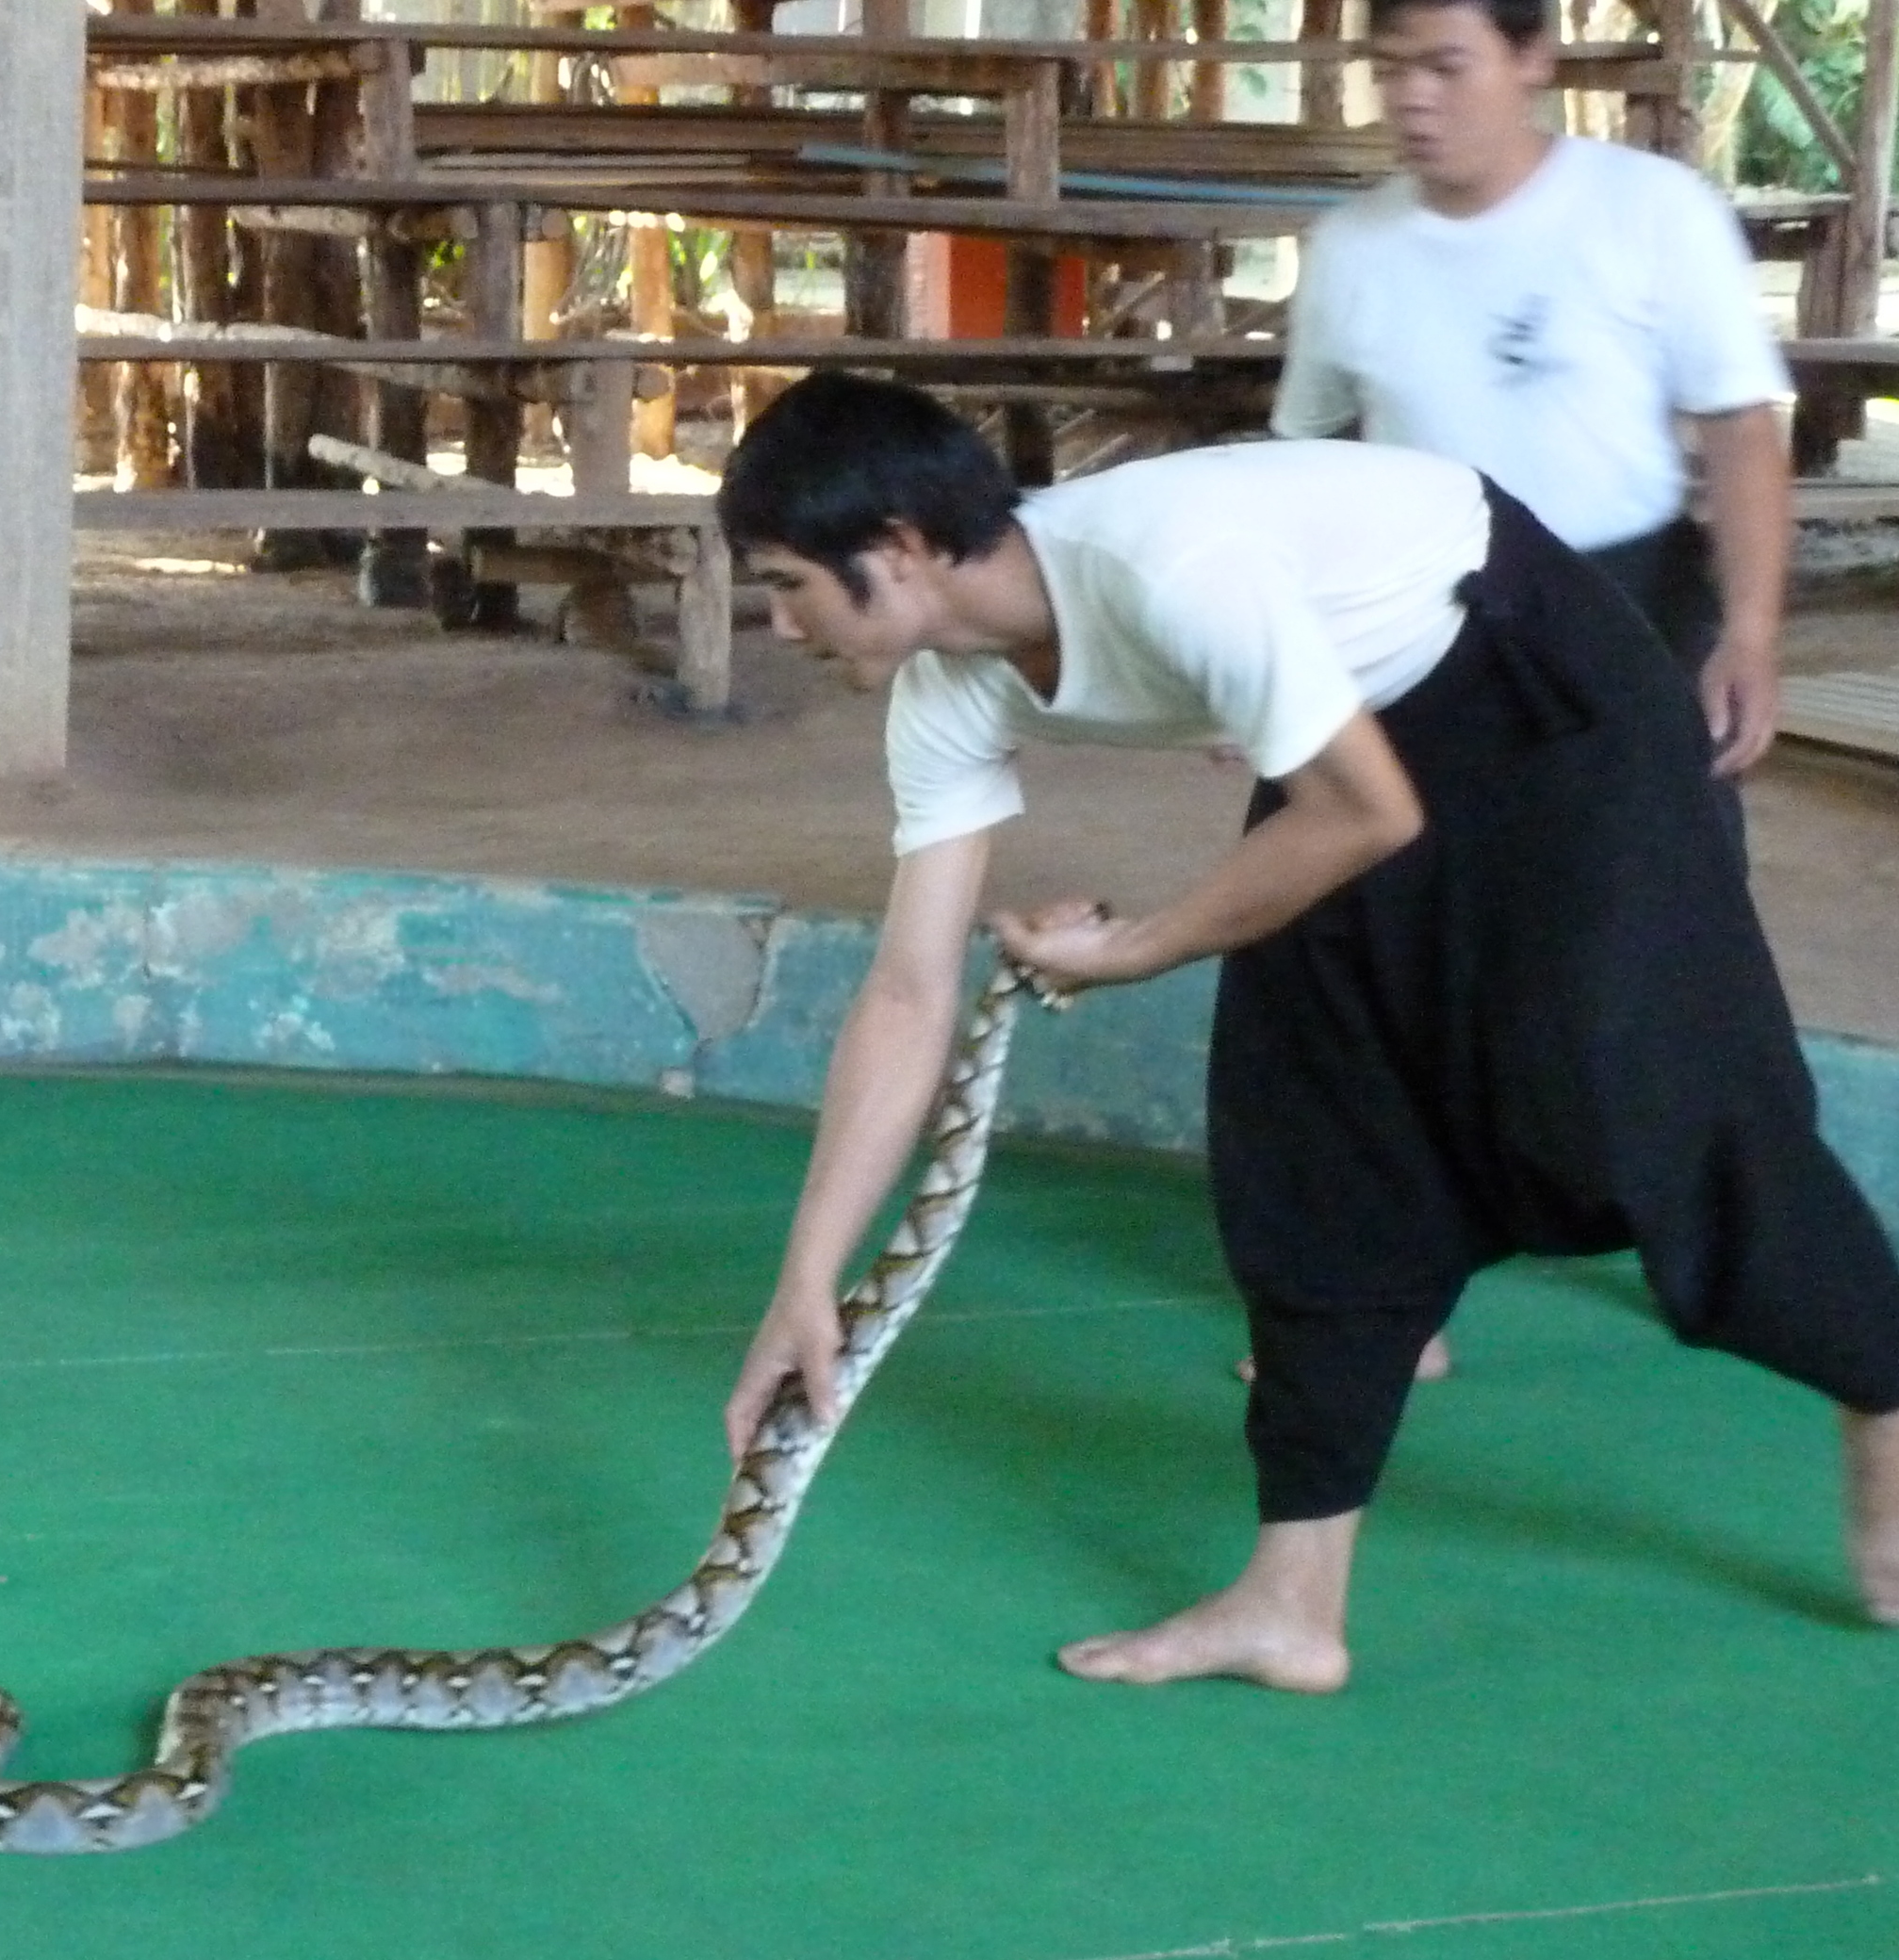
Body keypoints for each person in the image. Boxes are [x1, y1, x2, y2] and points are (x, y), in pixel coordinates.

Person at [712, 372, 1899, 1690]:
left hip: (1536, 692)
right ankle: (1292, 1602)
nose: (780, 621)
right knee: (1317, 1131)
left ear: (897, 551)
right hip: (1357, 730)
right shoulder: (948, 686)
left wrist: (1149, 942)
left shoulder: (1168, 567)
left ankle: (1884, 1379)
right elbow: (908, 988)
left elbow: (1367, 815)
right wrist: (805, 1275)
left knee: (1642, 1097)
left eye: (788, 583)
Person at [1275, 0, 1792, 776]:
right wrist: (1279, 651)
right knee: (1382, 877)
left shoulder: (1652, 210)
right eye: (1390, 71)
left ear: (1533, 58)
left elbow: (1741, 431)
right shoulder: (1349, 250)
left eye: (1446, 66)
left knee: (1632, 886)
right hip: (1416, 626)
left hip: (1625, 616)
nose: (1412, 96)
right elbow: (1304, 463)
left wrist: (1749, 632)